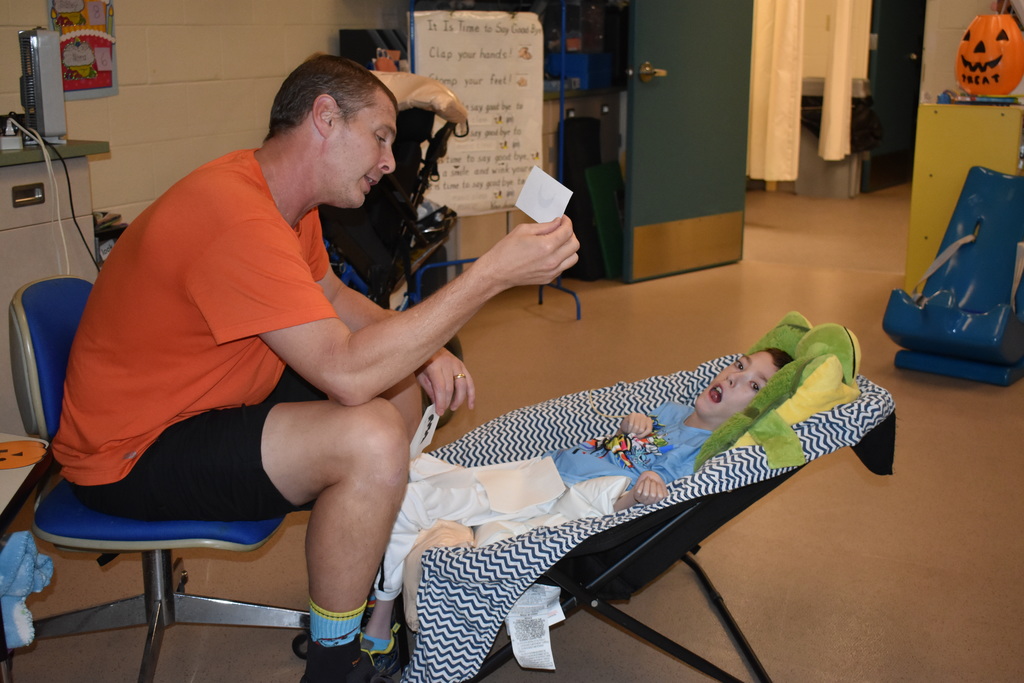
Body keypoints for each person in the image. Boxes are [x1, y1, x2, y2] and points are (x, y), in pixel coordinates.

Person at [50, 54, 579, 683]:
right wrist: (487, 276)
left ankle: (372, 615)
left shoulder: (284, 201)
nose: (389, 161)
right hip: (132, 451)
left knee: (403, 382)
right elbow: (346, 374)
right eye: (380, 137)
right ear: (324, 118)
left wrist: (426, 348)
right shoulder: (234, 214)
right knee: (371, 437)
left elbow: (329, 297)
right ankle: (334, 665)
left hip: (208, 391)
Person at [360, 348, 793, 673]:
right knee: (410, 478)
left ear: (756, 412)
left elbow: (629, 504)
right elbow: (624, 446)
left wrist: (641, 494)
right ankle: (485, 585)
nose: (736, 379)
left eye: (754, 386)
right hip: (542, 471)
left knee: (420, 505)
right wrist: (632, 424)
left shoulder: (699, 459)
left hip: (565, 501)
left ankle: (382, 621)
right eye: (739, 365)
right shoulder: (673, 412)